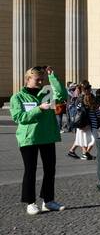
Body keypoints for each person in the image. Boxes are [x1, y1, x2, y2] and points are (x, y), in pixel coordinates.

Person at [10, 65, 68, 215]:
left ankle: (48, 201)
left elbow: (62, 96)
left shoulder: (46, 93)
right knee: (30, 170)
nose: (41, 82)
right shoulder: (17, 97)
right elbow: (19, 117)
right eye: (38, 79)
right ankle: (30, 202)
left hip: (47, 136)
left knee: (50, 169)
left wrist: (52, 77)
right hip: (29, 138)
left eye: (42, 79)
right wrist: (39, 109)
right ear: (28, 79)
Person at [69, 91, 100, 160]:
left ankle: (78, 152)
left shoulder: (81, 105)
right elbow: (99, 115)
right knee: (92, 140)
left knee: (82, 139)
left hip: (81, 124)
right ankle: (86, 153)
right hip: (90, 125)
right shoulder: (94, 106)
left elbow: (76, 110)